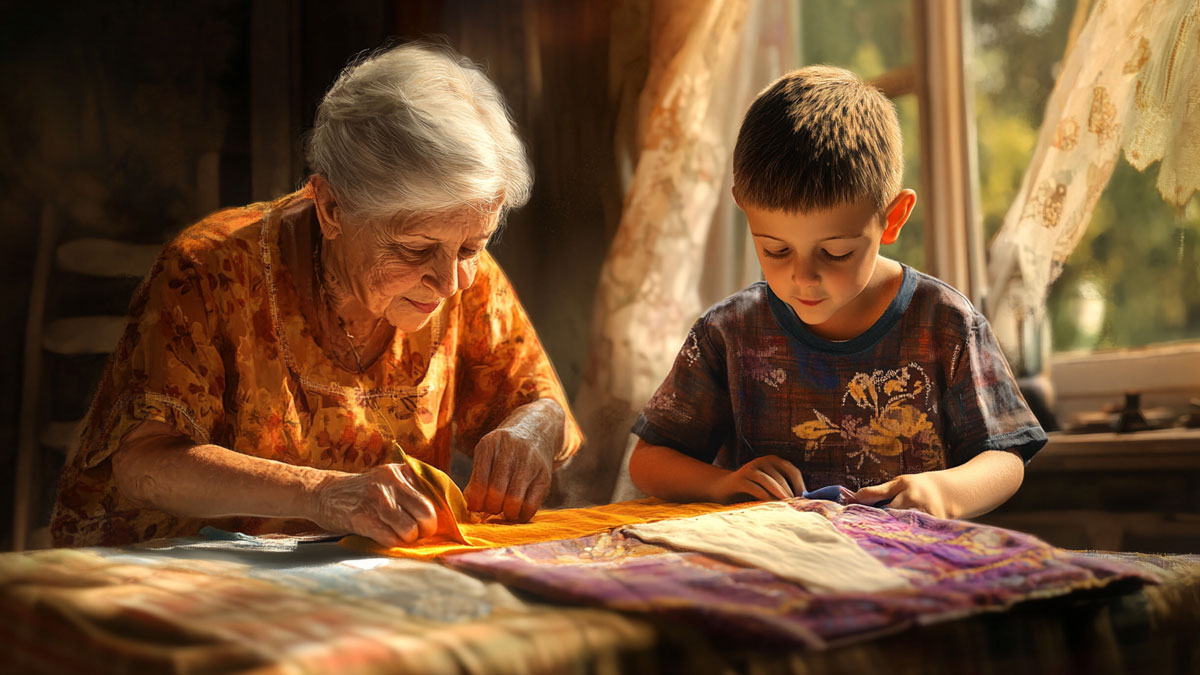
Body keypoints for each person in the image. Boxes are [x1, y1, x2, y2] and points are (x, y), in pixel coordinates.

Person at [52, 42, 582, 548]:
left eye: (471, 247)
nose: (448, 283)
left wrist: (535, 427)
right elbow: (145, 465)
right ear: (331, 209)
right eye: (415, 249)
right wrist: (321, 494)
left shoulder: (465, 274)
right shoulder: (210, 269)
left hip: (358, 575)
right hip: (178, 576)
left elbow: (542, 405)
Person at [627, 65, 1046, 519]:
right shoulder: (728, 331)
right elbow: (648, 461)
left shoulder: (944, 323)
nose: (803, 277)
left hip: (902, 557)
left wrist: (945, 491)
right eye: (776, 250)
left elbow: (1005, 458)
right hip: (768, 559)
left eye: (836, 253)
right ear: (745, 210)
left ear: (892, 218)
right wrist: (721, 484)